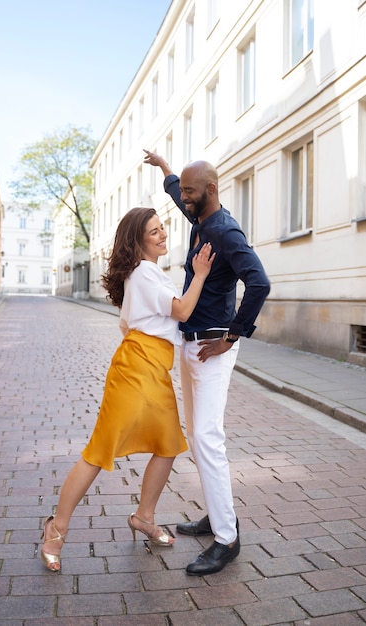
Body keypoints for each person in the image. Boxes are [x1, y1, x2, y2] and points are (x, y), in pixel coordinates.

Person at [40, 206, 215, 572]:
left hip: (153, 368)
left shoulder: (148, 274)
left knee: (168, 445)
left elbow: (126, 324)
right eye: (154, 231)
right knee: (100, 450)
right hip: (136, 371)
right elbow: (181, 311)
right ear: (138, 241)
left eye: (163, 227)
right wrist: (200, 274)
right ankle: (56, 529)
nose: (163, 234)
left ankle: (144, 517)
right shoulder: (146, 274)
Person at [143, 150, 270, 576]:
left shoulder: (226, 232)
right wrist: (166, 170)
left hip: (213, 348)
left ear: (211, 192)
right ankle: (217, 516)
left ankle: (227, 538)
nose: (185, 199)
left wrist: (232, 335)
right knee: (197, 438)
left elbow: (259, 282)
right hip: (191, 345)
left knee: (208, 439)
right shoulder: (202, 218)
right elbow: (180, 196)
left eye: (192, 192)